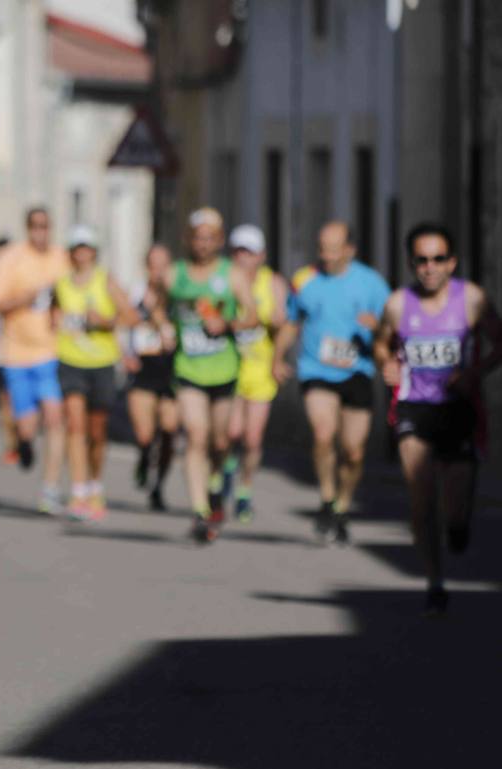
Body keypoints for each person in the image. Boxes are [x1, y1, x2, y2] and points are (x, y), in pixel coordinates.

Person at [373, 222, 502, 614]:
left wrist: (475, 374)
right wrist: (386, 365)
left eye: (438, 259)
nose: (430, 268)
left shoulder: (472, 300)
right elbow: (381, 343)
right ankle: (434, 581)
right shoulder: (398, 303)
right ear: (412, 263)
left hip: (459, 408)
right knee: (421, 495)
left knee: (455, 508)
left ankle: (458, 528)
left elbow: (500, 343)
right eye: (422, 260)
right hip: (415, 408)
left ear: (452, 262)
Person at [272, 221, 389, 545]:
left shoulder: (372, 284)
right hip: (316, 370)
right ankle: (326, 497)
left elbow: (393, 330)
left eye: (333, 250)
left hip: (357, 372)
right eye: (322, 248)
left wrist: (378, 327)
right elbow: (291, 323)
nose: (325, 256)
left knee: (353, 451)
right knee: (324, 434)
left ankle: (342, 505)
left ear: (350, 250)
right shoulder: (305, 279)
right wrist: (277, 358)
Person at [153, 208, 255, 543]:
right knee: (195, 435)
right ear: (189, 239)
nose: (204, 244)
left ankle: (214, 483)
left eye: (211, 238)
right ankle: (199, 510)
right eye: (198, 237)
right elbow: (155, 303)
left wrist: (227, 324)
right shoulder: (175, 273)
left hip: (224, 369)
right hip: (189, 369)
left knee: (220, 441)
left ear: (219, 241)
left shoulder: (232, 275)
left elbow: (253, 316)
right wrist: (164, 325)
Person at [0, 207, 70, 513]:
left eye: (45, 226)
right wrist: (22, 299)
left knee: (56, 418)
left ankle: (51, 488)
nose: (40, 232)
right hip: (16, 354)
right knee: (28, 426)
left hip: (52, 352)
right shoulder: (12, 259)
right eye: (35, 226)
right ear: (27, 228)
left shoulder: (62, 258)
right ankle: (25, 443)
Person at [53, 225, 134, 521]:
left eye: (87, 248)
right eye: (77, 248)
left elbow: (130, 316)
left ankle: (95, 485)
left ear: (94, 252)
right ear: (71, 253)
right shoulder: (61, 284)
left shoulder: (106, 281)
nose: (82, 254)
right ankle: (78, 492)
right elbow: (52, 316)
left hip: (101, 363)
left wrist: (105, 320)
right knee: (75, 426)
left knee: (97, 431)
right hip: (70, 360)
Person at [223, 225, 288, 522]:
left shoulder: (272, 283)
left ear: (260, 255)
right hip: (230, 366)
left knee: (252, 438)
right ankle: (223, 474)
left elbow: (284, 325)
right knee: (230, 433)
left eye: (248, 252)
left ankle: (244, 491)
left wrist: (278, 356)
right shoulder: (224, 281)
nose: (242, 257)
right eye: (238, 251)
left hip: (260, 368)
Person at [123, 244, 178, 511]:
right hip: (142, 366)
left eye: (163, 265)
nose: (158, 271)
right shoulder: (135, 292)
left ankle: (158, 486)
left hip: (172, 368)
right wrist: (125, 354)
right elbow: (123, 322)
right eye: (153, 265)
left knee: (169, 431)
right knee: (145, 435)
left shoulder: (179, 294)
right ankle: (145, 459)